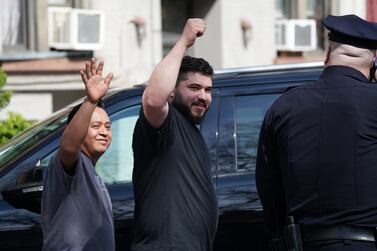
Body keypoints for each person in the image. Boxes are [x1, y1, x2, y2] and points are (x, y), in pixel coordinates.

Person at [256, 14, 377, 251]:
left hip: (302, 243)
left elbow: (269, 189)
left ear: (327, 55)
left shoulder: (283, 106)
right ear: (373, 63)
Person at [131, 18, 218, 250]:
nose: (203, 96)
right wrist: (183, 42)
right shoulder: (166, 124)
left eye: (208, 90)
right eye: (194, 88)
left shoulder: (192, 132)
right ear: (172, 92)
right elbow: (153, 98)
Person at [41, 58, 115, 251]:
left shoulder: (91, 170)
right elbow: (68, 145)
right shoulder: (72, 163)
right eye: (96, 126)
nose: (104, 132)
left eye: (108, 127)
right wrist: (90, 101)